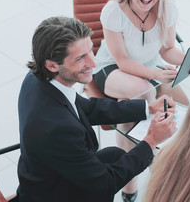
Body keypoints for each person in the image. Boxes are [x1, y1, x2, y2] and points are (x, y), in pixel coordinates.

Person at [16, 16, 177, 202]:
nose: (93, 64)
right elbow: (105, 183)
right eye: (79, 58)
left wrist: (147, 108)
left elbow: (87, 107)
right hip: (56, 195)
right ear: (52, 65)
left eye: (90, 51)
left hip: (48, 174)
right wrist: (151, 140)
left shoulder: (39, 79)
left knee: (116, 155)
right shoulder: (56, 128)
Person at [93, 0, 190, 200]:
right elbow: (121, 60)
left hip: (150, 67)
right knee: (142, 91)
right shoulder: (113, 11)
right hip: (111, 69)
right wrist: (154, 75)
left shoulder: (167, 8)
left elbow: (167, 50)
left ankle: (150, 170)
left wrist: (189, 60)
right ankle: (145, 171)